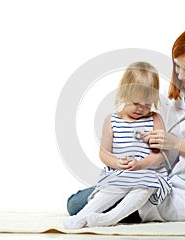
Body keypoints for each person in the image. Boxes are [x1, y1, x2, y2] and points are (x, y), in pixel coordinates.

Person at [66, 25, 185, 223]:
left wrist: (176, 144)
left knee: (78, 206)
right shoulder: (179, 96)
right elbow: (157, 148)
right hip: (149, 176)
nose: (180, 75)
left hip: (183, 195)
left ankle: (108, 218)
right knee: (75, 203)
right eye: (177, 66)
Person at [63, 61, 171, 229]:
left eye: (147, 104)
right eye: (136, 103)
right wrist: (116, 163)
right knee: (108, 191)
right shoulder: (112, 121)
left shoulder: (155, 119)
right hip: (122, 174)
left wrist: (141, 164)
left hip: (148, 174)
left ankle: (109, 219)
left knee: (141, 190)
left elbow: (161, 154)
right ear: (124, 93)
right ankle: (80, 217)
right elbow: (104, 153)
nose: (141, 109)